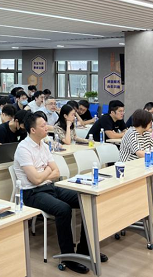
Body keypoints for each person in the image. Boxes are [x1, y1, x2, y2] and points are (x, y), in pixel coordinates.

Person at [14, 113, 106, 274]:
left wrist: (44, 172)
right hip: (31, 193)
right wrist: (47, 171)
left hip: (50, 186)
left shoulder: (43, 145)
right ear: (33, 130)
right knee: (63, 209)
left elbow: (56, 172)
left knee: (87, 198)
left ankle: (85, 250)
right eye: (43, 126)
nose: (47, 127)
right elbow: (35, 180)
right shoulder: (23, 148)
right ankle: (68, 257)